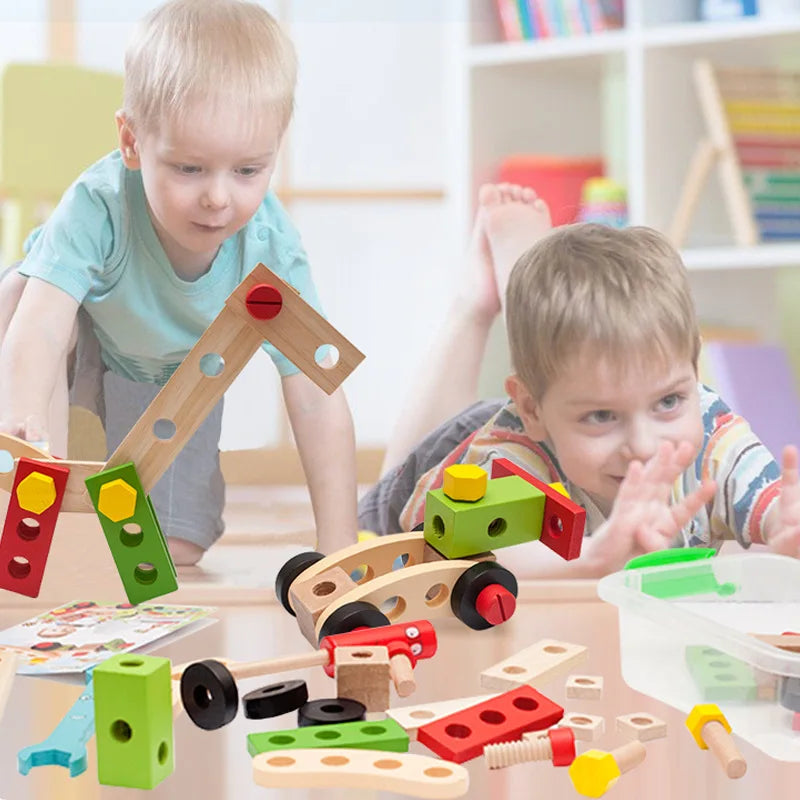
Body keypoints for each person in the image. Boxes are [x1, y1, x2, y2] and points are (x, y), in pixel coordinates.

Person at [0, 0, 358, 565]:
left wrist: (339, 547)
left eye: (247, 170)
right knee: (19, 292)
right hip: (81, 344)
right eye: (189, 168)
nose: (218, 197)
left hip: (178, 379)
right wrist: (27, 433)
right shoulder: (98, 203)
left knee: (171, 554)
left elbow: (315, 391)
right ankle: (40, 507)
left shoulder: (269, 249)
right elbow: (40, 328)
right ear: (132, 142)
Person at [358, 184, 800, 577]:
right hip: (450, 468)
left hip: (556, 397)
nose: (645, 447)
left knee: (558, 358)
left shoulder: (709, 433)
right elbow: (483, 548)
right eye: (603, 416)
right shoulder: (514, 453)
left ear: (694, 368)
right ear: (531, 411)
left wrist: (785, 524)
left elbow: (770, 505)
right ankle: (475, 303)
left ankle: (522, 273)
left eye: (669, 402)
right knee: (380, 511)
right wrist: (593, 557)